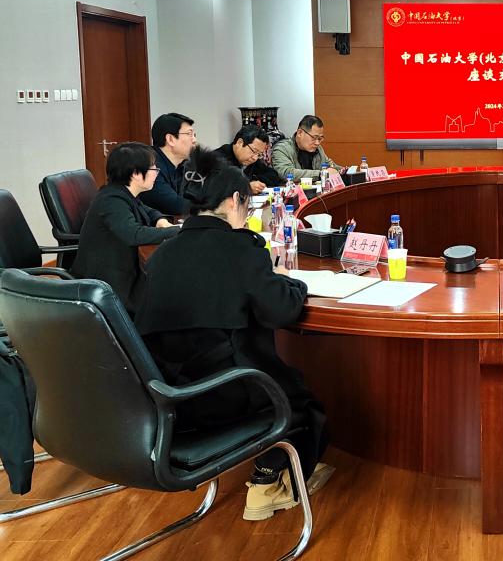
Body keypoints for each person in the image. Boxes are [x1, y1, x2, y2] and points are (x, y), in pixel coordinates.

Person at [134, 147, 333, 521]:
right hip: (229, 394)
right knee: (301, 402)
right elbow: (282, 310)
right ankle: (269, 482)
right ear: (232, 201)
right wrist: (292, 282)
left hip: (170, 399)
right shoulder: (241, 249)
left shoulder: (162, 254)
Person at [71, 142, 179, 313]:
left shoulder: (122, 193)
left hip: (122, 270)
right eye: (153, 169)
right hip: (107, 283)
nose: (156, 173)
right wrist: (177, 230)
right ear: (135, 173)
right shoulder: (111, 200)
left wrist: (160, 220)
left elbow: (145, 209)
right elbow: (133, 234)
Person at [140, 112, 197, 216]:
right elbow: (175, 205)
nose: (194, 140)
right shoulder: (150, 165)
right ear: (170, 139)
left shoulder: (183, 165)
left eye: (194, 135)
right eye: (189, 134)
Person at [214, 125, 284, 193]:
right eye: (254, 151)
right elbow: (217, 187)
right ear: (240, 143)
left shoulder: (251, 159)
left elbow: (273, 175)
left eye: (259, 154)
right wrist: (245, 187)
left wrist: (254, 181)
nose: (255, 158)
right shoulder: (217, 159)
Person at [272, 115, 340, 180]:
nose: (317, 143)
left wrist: (344, 171)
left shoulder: (318, 148)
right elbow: (286, 173)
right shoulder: (282, 149)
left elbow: (330, 166)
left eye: (320, 138)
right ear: (300, 133)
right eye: (314, 138)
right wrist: (320, 174)